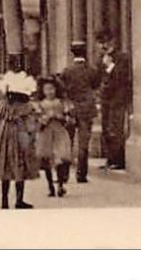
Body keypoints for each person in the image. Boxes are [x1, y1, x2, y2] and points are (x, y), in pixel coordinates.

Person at [0, 71, 39, 209]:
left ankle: (4, 200)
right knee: (20, 165)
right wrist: (32, 137)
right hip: (20, 135)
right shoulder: (26, 106)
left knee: (4, 166)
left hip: (4, 135)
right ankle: (19, 200)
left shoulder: (3, 104)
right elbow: (31, 123)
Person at [58, 41, 101, 183]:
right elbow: (96, 85)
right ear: (85, 52)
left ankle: (64, 175)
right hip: (87, 108)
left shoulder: (67, 71)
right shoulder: (92, 70)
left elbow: (62, 88)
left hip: (71, 109)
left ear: (72, 53)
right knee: (83, 143)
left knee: (67, 142)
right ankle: (81, 175)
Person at [97, 33, 132, 171]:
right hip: (106, 97)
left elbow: (121, 77)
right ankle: (110, 158)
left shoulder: (122, 58)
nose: (103, 46)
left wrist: (110, 65)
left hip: (118, 97)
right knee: (107, 128)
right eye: (101, 43)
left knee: (116, 128)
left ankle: (119, 159)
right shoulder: (102, 59)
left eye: (106, 42)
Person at [34, 77, 74, 197]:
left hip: (59, 133)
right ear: (42, 91)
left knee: (61, 159)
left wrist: (61, 117)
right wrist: (44, 119)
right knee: (47, 160)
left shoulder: (62, 103)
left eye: (52, 89)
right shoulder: (39, 105)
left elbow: (70, 119)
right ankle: (50, 186)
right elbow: (36, 121)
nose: (50, 92)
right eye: (47, 89)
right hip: (45, 135)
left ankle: (60, 185)